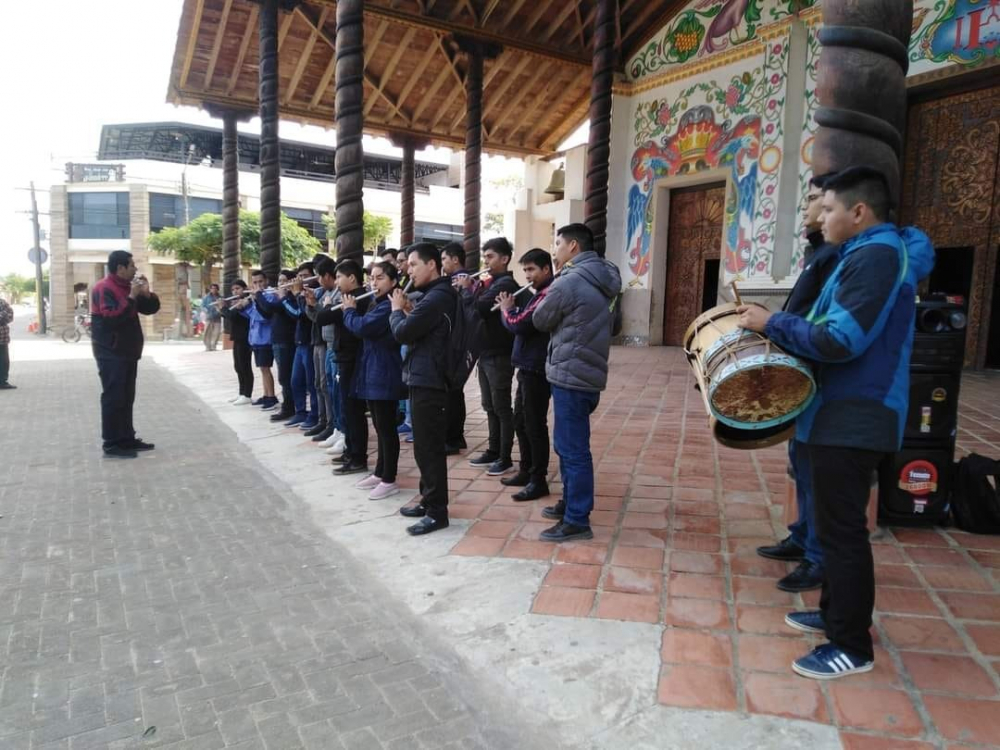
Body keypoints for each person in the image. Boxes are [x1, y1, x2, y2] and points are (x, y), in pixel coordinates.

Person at [738, 166, 934, 680]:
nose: (820, 218)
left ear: (859, 213)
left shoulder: (875, 257)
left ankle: (852, 646)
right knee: (830, 526)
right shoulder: (861, 255)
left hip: (856, 414)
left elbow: (839, 341)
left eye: (828, 209)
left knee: (844, 534)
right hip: (836, 413)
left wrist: (771, 323)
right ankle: (833, 615)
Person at [756, 173, 839, 593]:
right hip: (809, 375)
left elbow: (834, 332)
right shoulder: (820, 254)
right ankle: (803, 538)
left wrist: (772, 322)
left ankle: (819, 559)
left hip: (833, 387)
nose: (807, 210)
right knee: (802, 464)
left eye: (816, 201)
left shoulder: (847, 259)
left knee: (822, 477)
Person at [532, 224, 622, 542]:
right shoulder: (609, 278)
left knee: (573, 450)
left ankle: (577, 519)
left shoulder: (569, 281)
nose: (554, 249)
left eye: (557, 243)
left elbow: (540, 319)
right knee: (570, 446)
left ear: (572, 246)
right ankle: (570, 502)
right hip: (591, 373)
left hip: (570, 373)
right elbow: (616, 325)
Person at [390, 242, 458, 536]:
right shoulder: (434, 296)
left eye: (414, 264)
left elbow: (403, 333)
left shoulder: (438, 297)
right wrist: (408, 309)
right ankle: (427, 499)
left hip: (430, 379)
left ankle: (436, 512)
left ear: (432, 265)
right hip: (424, 375)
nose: (409, 269)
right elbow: (422, 329)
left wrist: (395, 311)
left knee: (429, 448)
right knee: (423, 446)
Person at [455, 237, 519, 475]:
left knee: (501, 406)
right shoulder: (490, 283)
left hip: (500, 353)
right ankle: (493, 450)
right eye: (485, 257)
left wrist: (466, 289)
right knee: (489, 405)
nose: (486, 261)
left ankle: (505, 456)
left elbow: (479, 308)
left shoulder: (506, 285)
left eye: (490, 257)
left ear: (504, 259)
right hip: (486, 351)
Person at [343, 261, 406, 498]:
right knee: (380, 427)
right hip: (373, 368)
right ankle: (380, 473)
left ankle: (389, 479)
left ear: (392, 281)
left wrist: (348, 310)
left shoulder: (388, 305)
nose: (374, 283)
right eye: (372, 278)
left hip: (385, 370)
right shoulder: (378, 302)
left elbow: (362, 327)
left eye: (380, 278)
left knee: (387, 428)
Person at [89, 251, 161, 458]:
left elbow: (149, 310)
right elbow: (112, 319)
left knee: (127, 397)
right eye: (132, 265)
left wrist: (146, 294)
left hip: (128, 352)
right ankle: (112, 443)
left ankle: (127, 438)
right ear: (120, 268)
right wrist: (131, 296)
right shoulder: (104, 288)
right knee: (113, 397)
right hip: (110, 352)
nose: (135, 269)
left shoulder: (128, 287)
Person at [498, 248, 555, 501]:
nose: (528, 275)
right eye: (526, 270)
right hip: (527, 367)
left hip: (537, 369)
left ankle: (538, 479)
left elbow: (519, 324)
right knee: (521, 421)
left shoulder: (547, 294)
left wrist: (506, 309)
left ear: (546, 269)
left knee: (534, 424)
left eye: (532, 270)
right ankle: (526, 469)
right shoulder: (536, 294)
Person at [307, 258, 371, 475]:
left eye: (341, 277)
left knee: (353, 410)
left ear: (352, 278)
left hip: (353, 359)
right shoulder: (346, 298)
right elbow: (322, 317)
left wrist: (326, 306)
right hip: (345, 356)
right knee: (347, 407)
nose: (337, 281)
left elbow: (324, 317)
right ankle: (350, 451)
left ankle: (358, 457)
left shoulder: (358, 299)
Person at [256, 269, 298, 423]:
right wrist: (256, 299)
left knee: (286, 378)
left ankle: (289, 408)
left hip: (287, 342)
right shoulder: (280, 299)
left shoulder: (290, 298)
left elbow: (271, 308)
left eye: (284, 281)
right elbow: (267, 314)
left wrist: (259, 295)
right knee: (283, 376)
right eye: (279, 281)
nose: (280, 284)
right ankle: (288, 407)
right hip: (277, 341)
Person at [282, 263, 319, 428]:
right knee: (295, 381)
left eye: (305, 276)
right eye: (300, 276)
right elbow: (294, 312)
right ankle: (300, 412)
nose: (301, 279)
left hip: (311, 343)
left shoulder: (315, 293)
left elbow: (302, 314)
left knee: (313, 383)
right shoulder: (299, 294)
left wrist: (295, 294)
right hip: (300, 343)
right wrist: (291, 294)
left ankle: (315, 415)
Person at [440, 242, 469, 454]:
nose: (443, 263)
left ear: (455, 259)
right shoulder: (451, 282)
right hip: (454, 341)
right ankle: (455, 436)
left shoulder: (464, 282)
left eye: (444, 259)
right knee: (453, 393)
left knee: (452, 392)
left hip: (458, 342)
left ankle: (452, 437)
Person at [218, 281, 254, 405]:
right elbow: (230, 315)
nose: (235, 292)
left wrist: (223, 308)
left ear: (245, 289)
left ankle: (247, 394)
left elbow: (233, 316)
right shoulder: (236, 302)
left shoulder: (247, 301)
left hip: (245, 337)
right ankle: (241, 393)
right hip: (237, 337)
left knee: (245, 366)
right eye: (233, 290)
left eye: (238, 288)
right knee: (238, 366)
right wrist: (223, 309)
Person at [247, 270, 278, 410]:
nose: (258, 285)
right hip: (256, 339)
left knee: (266, 368)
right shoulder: (258, 296)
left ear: (266, 281)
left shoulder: (270, 295)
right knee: (262, 369)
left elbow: (264, 316)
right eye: (255, 282)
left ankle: (271, 397)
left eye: (260, 281)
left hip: (266, 338)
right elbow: (252, 317)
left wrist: (252, 303)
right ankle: (266, 394)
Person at [201, 283, 222, 351]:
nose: (214, 290)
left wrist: (219, 309)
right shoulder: (206, 297)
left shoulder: (220, 297)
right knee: (207, 332)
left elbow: (223, 305)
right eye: (212, 288)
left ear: (217, 289)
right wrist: (206, 310)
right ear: (210, 289)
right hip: (209, 317)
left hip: (217, 317)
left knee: (217, 332)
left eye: (215, 288)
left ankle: (214, 346)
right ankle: (208, 346)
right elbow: (202, 306)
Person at [0, 294, 15, 390]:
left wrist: (3, 316)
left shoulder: (2, 302)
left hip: (2, 338)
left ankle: (2, 382)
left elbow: (10, 315)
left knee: (4, 362)